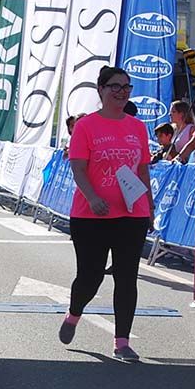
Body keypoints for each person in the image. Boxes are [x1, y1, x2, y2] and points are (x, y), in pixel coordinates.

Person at [58, 65, 154, 363]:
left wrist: (149, 206)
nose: (121, 92)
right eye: (115, 86)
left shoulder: (137, 127)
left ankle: (122, 342)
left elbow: (142, 170)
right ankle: (74, 313)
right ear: (101, 90)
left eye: (126, 87)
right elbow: (78, 168)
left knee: (127, 277)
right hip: (91, 216)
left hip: (131, 213)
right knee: (90, 277)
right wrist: (93, 197)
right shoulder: (86, 126)